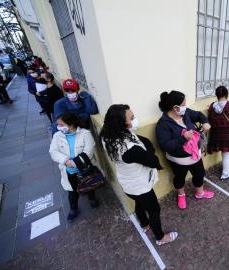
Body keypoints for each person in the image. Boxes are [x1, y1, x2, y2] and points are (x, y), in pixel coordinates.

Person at [100, 104, 178, 246]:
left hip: (128, 183)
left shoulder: (107, 135)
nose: (135, 119)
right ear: (121, 123)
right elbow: (153, 161)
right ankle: (160, 237)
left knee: (139, 203)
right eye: (132, 118)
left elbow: (138, 141)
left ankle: (144, 224)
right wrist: (150, 150)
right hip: (140, 186)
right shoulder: (130, 149)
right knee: (154, 210)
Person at [156, 90, 214, 209]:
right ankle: (181, 194)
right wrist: (183, 138)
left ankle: (200, 193)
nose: (185, 107)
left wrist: (205, 122)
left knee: (199, 174)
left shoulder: (186, 113)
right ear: (175, 108)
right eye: (183, 104)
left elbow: (198, 115)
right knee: (179, 178)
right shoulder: (163, 124)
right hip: (178, 160)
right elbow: (165, 145)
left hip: (195, 155)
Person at [49, 112, 99, 222]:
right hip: (68, 171)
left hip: (85, 169)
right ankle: (73, 209)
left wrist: (74, 162)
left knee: (89, 184)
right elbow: (53, 151)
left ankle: (92, 199)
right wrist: (65, 160)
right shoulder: (57, 136)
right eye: (58, 125)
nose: (59, 127)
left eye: (61, 125)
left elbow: (89, 151)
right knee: (72, 192)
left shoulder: (85, 133)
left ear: (71, 124)